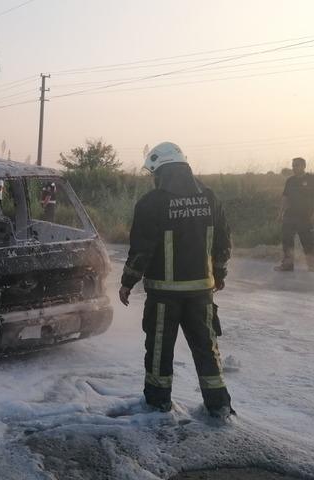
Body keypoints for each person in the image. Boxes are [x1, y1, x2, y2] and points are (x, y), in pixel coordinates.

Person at [118, 142, 234, 419]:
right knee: (207, 349)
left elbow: (141, 249)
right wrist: (219, 274)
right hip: (201, 293)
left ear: (160, 172)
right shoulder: (209, 197)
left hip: (163, 295)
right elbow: (223, 242)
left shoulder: (152, 203)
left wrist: (127, 282)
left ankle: (158, 405)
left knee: (159, 351)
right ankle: (218, 406)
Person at [276, 157, 314, 272]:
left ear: (303, 166)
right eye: (293, 166)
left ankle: (311, 265)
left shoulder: (313, 179)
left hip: (306, 216)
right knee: (287, 241)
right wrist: (280, 213)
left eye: (297, 165)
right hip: (290, 215)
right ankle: (287, 265)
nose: (294, 168)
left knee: (308, 241)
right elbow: (285, 197)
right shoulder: (290, 181)